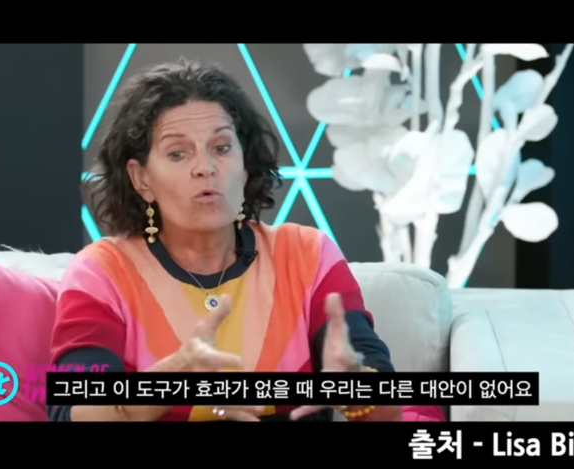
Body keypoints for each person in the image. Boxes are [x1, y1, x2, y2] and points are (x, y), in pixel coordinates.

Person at [49, 59, 440, 422]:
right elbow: (75, 411)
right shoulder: (103, 272)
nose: (205, 167)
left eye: (222, 148)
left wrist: (354, 384)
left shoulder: (307, 255)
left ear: (246, 166)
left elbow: (386, 413)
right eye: (178, 154)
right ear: (141, 178)